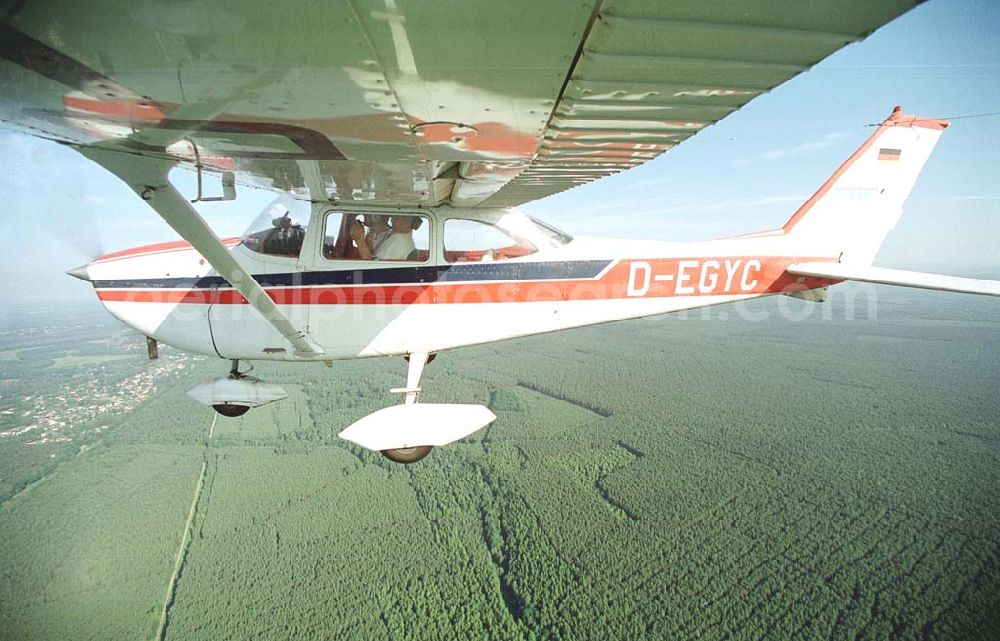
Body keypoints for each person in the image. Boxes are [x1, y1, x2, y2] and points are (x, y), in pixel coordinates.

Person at [350, 215, 421, 261]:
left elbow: (374, 265)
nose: (396, 221)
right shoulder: (390, 233)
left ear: (414, 224)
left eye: (404, 219)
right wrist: (367, 242)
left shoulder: (400, 240)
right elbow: (373, 254)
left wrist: (359, 240)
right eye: (396, 217)